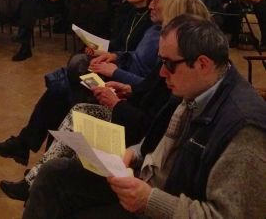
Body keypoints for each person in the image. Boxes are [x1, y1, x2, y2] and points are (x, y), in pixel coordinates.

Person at [22, 15, 266, 219]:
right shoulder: (199, 88)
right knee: (54, 173)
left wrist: (149, 200)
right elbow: (160, 142)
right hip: (148, 183)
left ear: (202, 64)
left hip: (162, 202)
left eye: (168, 64)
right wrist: (134, 153)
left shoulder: (244, 129)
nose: (162, 73)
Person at [0, 0, 193, 202]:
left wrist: (118, 84)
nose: (152, 5)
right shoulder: (149, 28)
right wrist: (119, 70)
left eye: (157, 1)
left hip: (129, 110)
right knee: (61, 92)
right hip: (127, 89)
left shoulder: (173, 62)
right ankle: (40, 168)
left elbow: (150, 114)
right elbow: (134, 61)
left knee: (68, 92)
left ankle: (38, 166)